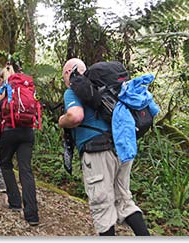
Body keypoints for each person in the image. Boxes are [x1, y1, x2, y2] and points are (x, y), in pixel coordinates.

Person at [58, 58, 150, 236]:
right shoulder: (110, 88)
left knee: (102, 206)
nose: (65, 81)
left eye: (64, 77)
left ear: (69, 73)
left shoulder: (73, 91)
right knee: (124, 200)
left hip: (98, 153)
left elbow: (75, 116)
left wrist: (62, 121)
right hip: (122, 148)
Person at [0, 66, 39, 226]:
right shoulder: (26, 90)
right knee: (26, 169)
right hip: (27, 132)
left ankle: (15, 202)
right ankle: (32, 214)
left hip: (8, 132)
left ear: (1, 79)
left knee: (5, 165)